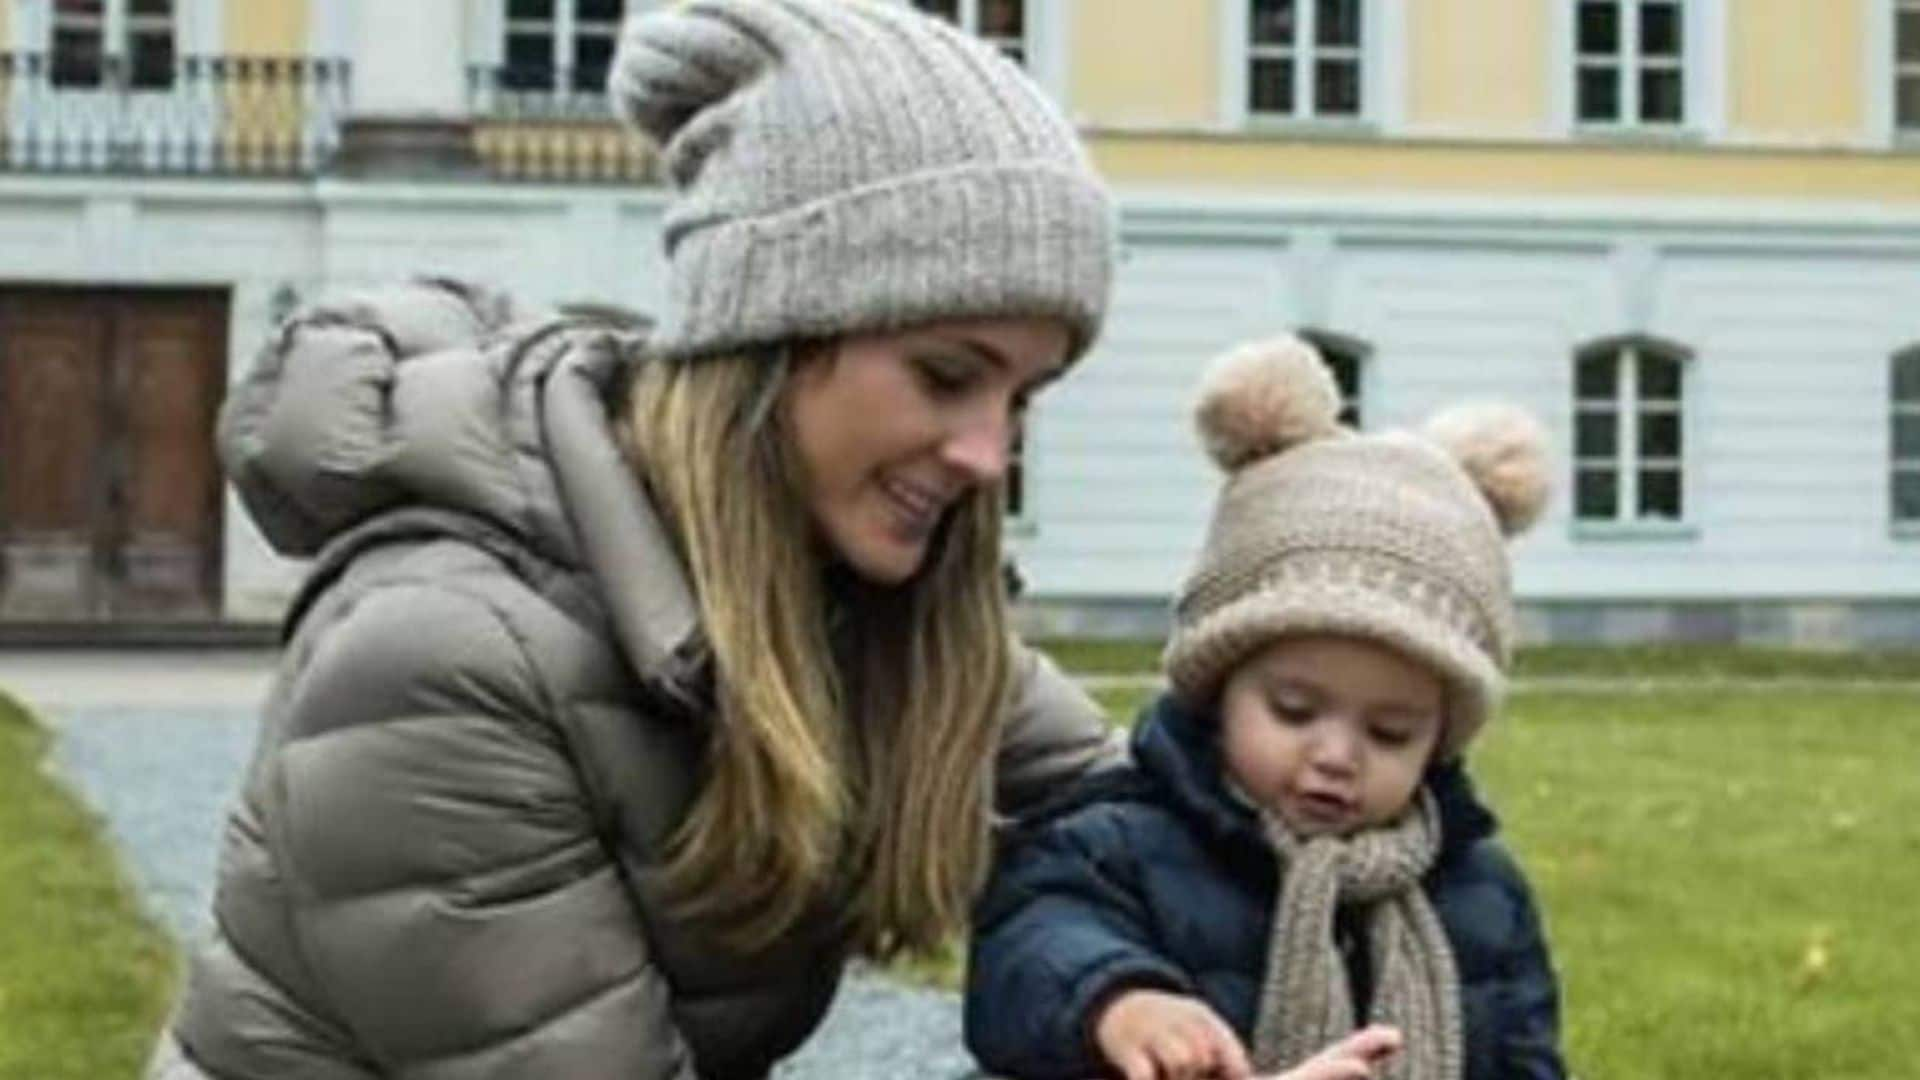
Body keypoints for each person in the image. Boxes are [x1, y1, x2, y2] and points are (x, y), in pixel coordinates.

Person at [145, 2, 1125, 1077]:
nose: (989, 454)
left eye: (1022, 400)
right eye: (947, 376)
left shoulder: (852, 584)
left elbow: (1146, 811)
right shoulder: (445, 658)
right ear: (768, 339)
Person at [964, 336, 1569, 1080]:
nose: (1337, 755)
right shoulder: (1118, 844)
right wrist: (1120, 1004)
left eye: (1390, 731)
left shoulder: (1481, 895)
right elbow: (1027, 953)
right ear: (1218, 688)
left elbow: (1526, 1057)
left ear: (1441, 738)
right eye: (1292, 710)